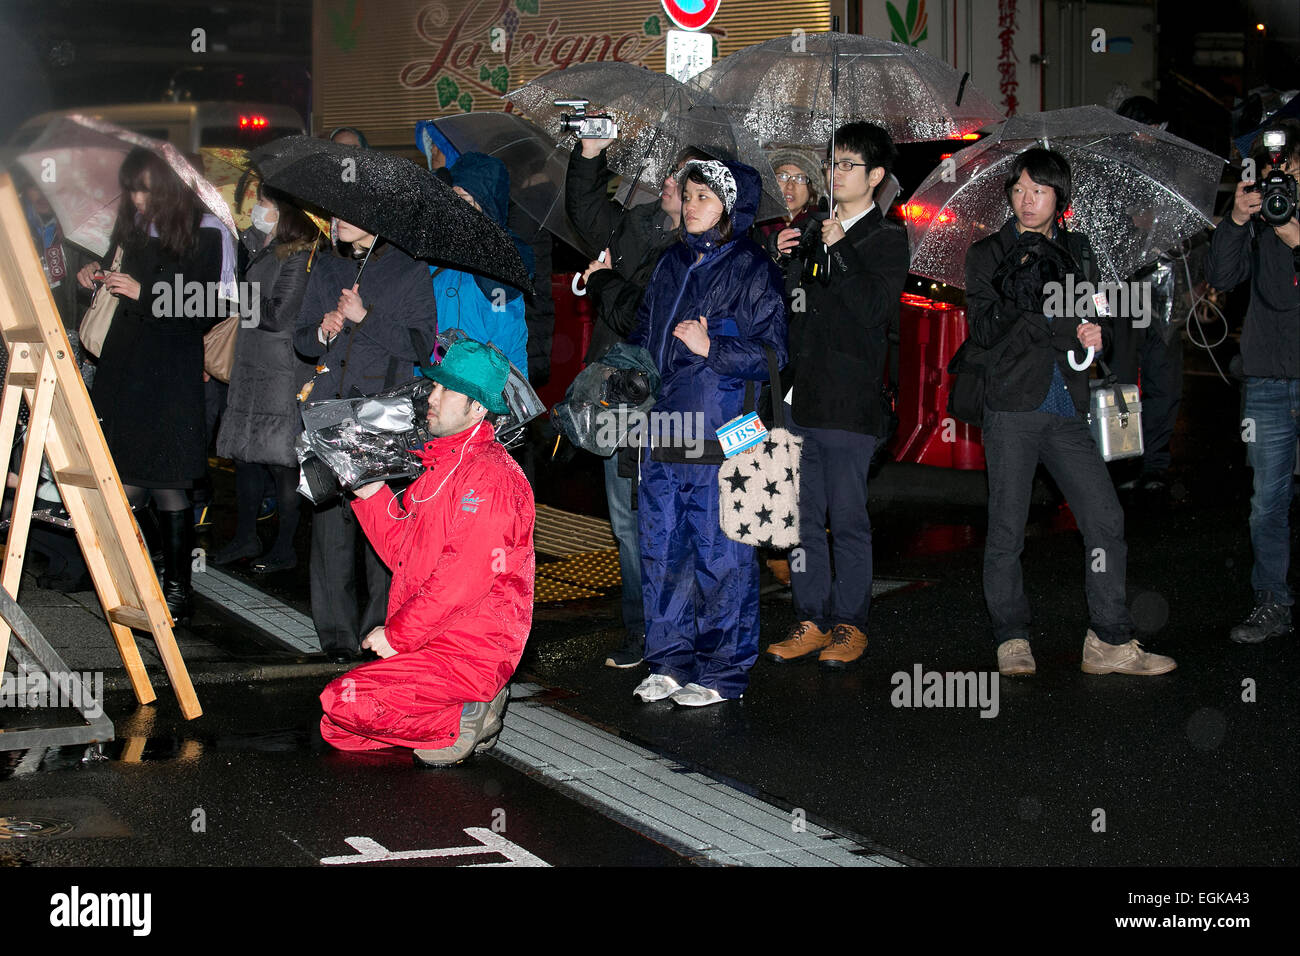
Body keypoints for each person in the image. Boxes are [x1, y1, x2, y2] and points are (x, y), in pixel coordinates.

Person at [964, 147, 1176, 677]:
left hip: (1068, 405)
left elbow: (1096, 317)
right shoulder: (988, 252)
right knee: (1007, 528)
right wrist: (1021, 283)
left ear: (1060, 196)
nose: (1026, 200)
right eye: (1018, 190)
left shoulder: (1079, 252)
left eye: (1038, 190)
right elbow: (985, 333)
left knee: (1105, 517)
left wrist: (1095, 332)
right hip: (1012, 405)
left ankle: (1108, 639)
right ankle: (1011, 636)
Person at [319, 339, 535, 766]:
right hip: (432, 642)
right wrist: (370, 493)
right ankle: (457, 715)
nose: (431, 399)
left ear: (478, 408)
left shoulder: (490, 479)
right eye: (433, 388)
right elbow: (402, 550)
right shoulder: (441, 464)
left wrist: (397, 635)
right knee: (337, 726)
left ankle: (461, 715)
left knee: (342, 701)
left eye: (446, 391)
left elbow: (462, 581)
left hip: (468, 651)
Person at [627, 159, 788, 707]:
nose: (690, 205)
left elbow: (775, 355)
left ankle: (722, 671)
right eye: (688, 195)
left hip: (726, 429)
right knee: (662, 546)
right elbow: (643, 334)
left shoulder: (752, 268)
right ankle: (668, 660)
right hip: (665, 426)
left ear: (730, 208)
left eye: (704, 198)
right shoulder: (669, 262)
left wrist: (711, 348)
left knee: (722, 555)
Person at [762, 122, 910, 668]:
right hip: (801, 398)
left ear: (875, 177)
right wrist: (781, 263)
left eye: (848, 164)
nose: (836, 172)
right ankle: (810, 619)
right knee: (800, 521)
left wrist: (841, 250)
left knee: (846, 518)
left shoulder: (886, 238)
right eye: (834, 163)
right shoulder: (811, 232)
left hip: (850, 403)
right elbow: (789, 314)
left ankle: (850, 624)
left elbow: (873, 310)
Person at [565, 136, 715, 669]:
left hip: (667, 403)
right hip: (618, 398)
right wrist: (588, 153)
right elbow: (585, 212)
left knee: (670, 520)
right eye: (673, 176)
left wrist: (605, 280)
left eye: (685, 179)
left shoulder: (701, 254)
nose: (671, 183)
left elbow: (639, 316)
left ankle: (678, 628)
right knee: (627, 521)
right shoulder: (642, 223)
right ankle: (643, 628)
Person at [76, 146, 231, 624]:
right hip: (125, 369)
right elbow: (118, 281)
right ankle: (136, 578)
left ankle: (176, 587)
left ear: (168, 185)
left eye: (144, 187)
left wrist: (144, 294)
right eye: (132, 188)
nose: (136, 198)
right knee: (123, 484)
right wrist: (95, 275)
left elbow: (212, 308)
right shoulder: (133, 229)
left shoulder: (208, 233)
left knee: (168, 486)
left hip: (170, 375)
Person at [292, 217, 437, 663]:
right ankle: (335, 635)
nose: (336, 222)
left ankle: (380, 629)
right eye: (333, 214)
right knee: (330, 523)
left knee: (384, 526)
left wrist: (365, 318)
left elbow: (421, 345)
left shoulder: (409, 270)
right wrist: (324, 330)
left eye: (346, 215)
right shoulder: (328, 267)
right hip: (331, 411)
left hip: (384, 415)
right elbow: (303, 339)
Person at [1207, 121, 1300, 644]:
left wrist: (1295, 234)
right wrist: (1238, 219)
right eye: (1275, 163)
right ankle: (1272, 602)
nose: (1281, 171)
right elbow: (1221, 279)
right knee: (1268, 501)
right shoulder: (1265, 210)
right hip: (1266, 374)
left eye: (1290, 162)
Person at [211, 178, 319, 573]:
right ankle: (245, 536)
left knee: (280, 461)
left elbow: (278, 316)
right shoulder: (261, 247)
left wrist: (237, 292)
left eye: (265, 202)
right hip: (251, 364)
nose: (258, 208)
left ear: (285, 210)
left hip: (280, 368)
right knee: (245, 456)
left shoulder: (300, 254)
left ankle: (284, 546)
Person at [430, 152, 530, 372]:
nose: (457, 210)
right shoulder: (435, 256)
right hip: (436, 385)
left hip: (482, 387)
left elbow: (505, 342)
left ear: (487, 207)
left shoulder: (504, 266)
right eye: (453, 200)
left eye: (465, 201)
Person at [756, 148, 824, 261]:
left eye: (800, 178)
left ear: (810, 189)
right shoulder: (753, 225)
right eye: (782, 176)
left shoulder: (820, 228)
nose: (790, 186)